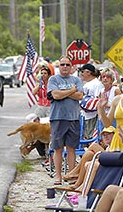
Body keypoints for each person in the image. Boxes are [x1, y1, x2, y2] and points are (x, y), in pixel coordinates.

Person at [47, 56, 84, 186]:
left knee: (71, 148)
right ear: (59, 66)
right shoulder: (53, 79)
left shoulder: (77, 79)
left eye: (67, 65)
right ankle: (58, 176)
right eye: (62, 64)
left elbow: (80, 96)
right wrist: (72, 90)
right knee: (57, 148)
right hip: (57, 118)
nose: (65, 67)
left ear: (71, 67)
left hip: (73, 118)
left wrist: (64, 93)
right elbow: (55, 95)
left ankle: (71, 175)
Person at [62, 126, 116, 192]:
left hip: (112, 163)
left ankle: (76, 172)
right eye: (104, 135)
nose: (106, 136)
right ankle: (78, 183)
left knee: (93, 146)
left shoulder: (117, 145)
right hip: (106, 160)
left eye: (108, 134)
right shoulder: (108, 147)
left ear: (115, 135)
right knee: (89, 154)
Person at [79, 63, 104, 140]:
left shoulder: (97, 84)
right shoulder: (87, 84)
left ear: (88, 72)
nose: (81, 74)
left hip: (92, 115)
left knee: (90, 136)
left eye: (83, 72)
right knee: (84, 135)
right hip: (84, 114)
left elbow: (98, 99)